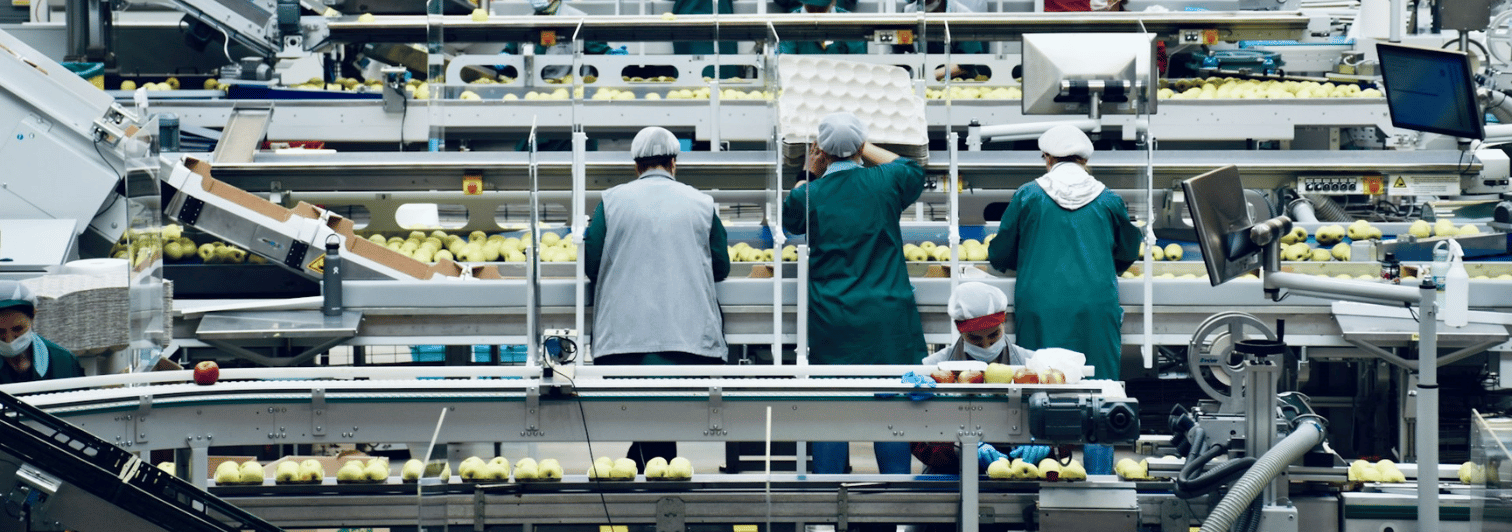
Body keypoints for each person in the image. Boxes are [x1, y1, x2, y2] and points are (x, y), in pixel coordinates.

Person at [782, 112, 925, 474]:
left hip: (834, 316)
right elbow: (913, 169)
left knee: (831, 408)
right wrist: (865, 146)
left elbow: (790, 219)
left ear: (821, 150)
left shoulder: (811, 194)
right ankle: (895, 497)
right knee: (891, 408)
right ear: (861, 146)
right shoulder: (886, 181)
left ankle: (829, 499)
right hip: (886, 316)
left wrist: (809, 172)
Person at [584, 126, 731, 470]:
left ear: (636, 165)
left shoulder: (611, 202)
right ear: (673, 163)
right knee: (658, 421)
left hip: (622, 345)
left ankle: (645, 493)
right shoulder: (702, 203)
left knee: (651, 420)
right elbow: (721, 267)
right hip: (691, 344)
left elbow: (592, 264)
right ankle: (655, 495)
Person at [987, 125, 1139, 382]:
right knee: (1097, 383)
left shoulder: (1029, 195)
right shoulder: (1108, 199)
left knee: (1040, 381)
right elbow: (1129, 249)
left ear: (1047, 158)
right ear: (1086, 161)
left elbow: (1000, 253)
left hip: (1040, 304)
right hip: (1095, 303)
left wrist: (1026, 259)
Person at [911, 281, 1046, 474]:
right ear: (960, 330)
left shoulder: (1031, 365)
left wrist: (1046, 440)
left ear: (1004, 322)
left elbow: (1065, 427)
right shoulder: (934, 369)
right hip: (952, 471)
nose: (986, 345)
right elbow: (919, 439)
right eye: (975, 338)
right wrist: (961, 447)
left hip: (1021, 468)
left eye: (994, 335)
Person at [0, 281, 84, 385]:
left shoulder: (62, 360)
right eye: (0, 332)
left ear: (33, 316)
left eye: (18, 329)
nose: (9, 340)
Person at [895, 0, 991, 81]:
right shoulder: (908, 14)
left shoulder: (960, 14)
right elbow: (902, 50)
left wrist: (930, 76)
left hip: (956, 82)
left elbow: (967, 62)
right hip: (921, 82)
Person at [777, 0, 868, 56]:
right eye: (812, 8)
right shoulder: (790, 24)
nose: (817, 15)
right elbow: (787, 65)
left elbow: (859, 63)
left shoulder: (850, 23)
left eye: (821, 8)